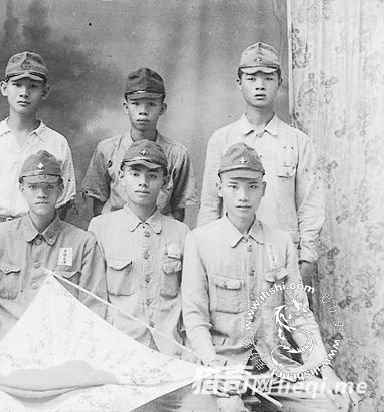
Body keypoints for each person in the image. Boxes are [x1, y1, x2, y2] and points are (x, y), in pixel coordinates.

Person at [182, 142, 352, 412]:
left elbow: (300, 316)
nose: (243, 196)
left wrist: (325, 370)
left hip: (274, 367)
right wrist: (213, 367)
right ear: (219, 188)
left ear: (263, 189)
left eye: (251, 186)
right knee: (231, 408)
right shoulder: (199, 241)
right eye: (233, 186)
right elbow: (195, 319)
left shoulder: (281, 242)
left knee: (336, 403)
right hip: (224, 368)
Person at [89, 140, 214, 411]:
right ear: (121, 177)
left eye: (153, 175)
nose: (143, 182)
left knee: (204, 406)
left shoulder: (181, 233)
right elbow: (96, 304)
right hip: (121, 357)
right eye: (135, 173)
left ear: (166, 182)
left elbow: (192, 305)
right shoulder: (100, 229)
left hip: (174, 356)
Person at [197, 42, 324, 288]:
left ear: (279, 82)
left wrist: (306, 261)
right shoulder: (222, 139)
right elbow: (210, 205)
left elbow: (310, 207)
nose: (260, 85)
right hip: (231, 257)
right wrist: (207, 256)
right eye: (251, 77)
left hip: (283, 259)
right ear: (239, 82)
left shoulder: (298, 142)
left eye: (268, 77)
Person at [0, 150, 106, 344]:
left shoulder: (83, 243)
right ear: (21, 188)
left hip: (60, 347)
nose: (41, 194)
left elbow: (93, 308)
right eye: (33, 187)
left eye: (49, 187)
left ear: (61, 188)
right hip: (6, 343)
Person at [0, 51, 76, 242]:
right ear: (4, 88)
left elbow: (63, 201)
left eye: (33, 86)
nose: (24, 93)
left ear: (45, 91)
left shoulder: (57, 142)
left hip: (39, 233)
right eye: (17, 85)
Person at [81, 67, 198, 222]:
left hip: (159, 230)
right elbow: (99, 203)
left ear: (162, 108)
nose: (143, 111)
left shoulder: (177, 153)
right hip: (117, 229)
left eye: (151, 104)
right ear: (126, 107)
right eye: (136, 103)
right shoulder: (107, 149)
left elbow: (178, 209)